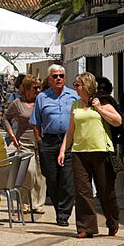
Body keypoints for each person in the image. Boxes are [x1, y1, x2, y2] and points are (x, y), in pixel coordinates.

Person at [58, 73, 122, 238]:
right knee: (82, 191)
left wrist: (99, 108)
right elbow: (71, 131)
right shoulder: (75, 105)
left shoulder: (102, 102)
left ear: (86, 85)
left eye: (78, 84)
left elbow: (118, 121)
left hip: (101, 150)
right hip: (80, 152)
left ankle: (112, 221)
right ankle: (85, 227)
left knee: (105, 191)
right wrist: (63, 150)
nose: (75, 87)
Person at [29, 63, 80, 227]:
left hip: (69, 141)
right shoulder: (42, 98)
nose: (59, 79)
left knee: (67, 180)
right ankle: (60, 209)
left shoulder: (74, 96)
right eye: (55, 76)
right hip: (49, 142)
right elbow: (36, 123)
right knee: (51, 179)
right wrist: (40, 143)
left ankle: (63, 214)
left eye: (61, 76)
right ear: (49, 79)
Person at [4, 76, 46, 214]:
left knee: (41, 174)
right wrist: (11, 135)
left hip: (41, 141)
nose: (38, 90)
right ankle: (25, 201)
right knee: (29, 171)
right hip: (24, 142)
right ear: (27, 89)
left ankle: (38, 203)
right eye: (35, 88)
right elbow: (5, 118)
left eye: (39, 88)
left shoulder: (42, 101)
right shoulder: (18, 103)